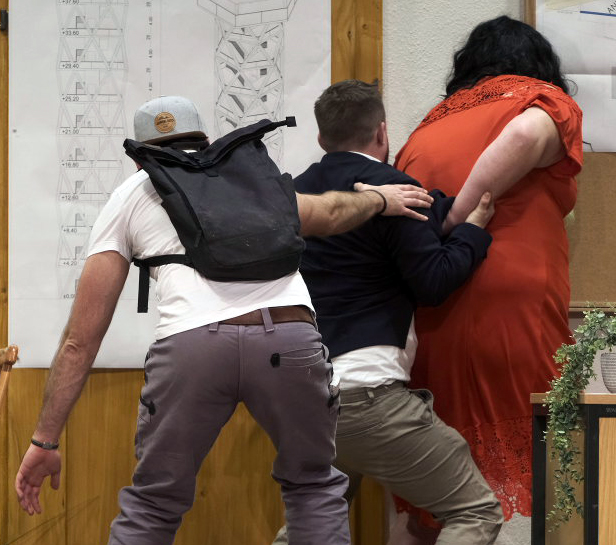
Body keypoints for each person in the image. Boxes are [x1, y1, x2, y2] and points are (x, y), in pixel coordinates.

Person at [14, 95, 431, 545]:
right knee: (313, 486)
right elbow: (329, 212)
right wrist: (379, 199)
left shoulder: (132, 194)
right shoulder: (252, 179)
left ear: (140, 158)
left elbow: (80, 341)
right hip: (290, 340)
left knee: (154, 502)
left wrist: (45, 440)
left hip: (193, 348)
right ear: (206, 140)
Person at [273, 79, 503, 545]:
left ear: (321, 137)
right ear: (382, 132)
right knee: (475, 510)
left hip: (300, 394)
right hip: (366, 392)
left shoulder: (293, 196)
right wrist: (474, 230)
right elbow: (433, 281)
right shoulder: (393, 190)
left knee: (310, 525)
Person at [394, 16, 583, 545]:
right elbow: (524, 133)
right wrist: (459, 219)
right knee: (561, 469)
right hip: (513, 305)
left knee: (442, 497)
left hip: (435, 309)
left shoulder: (427, 128)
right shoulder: (543, 101)